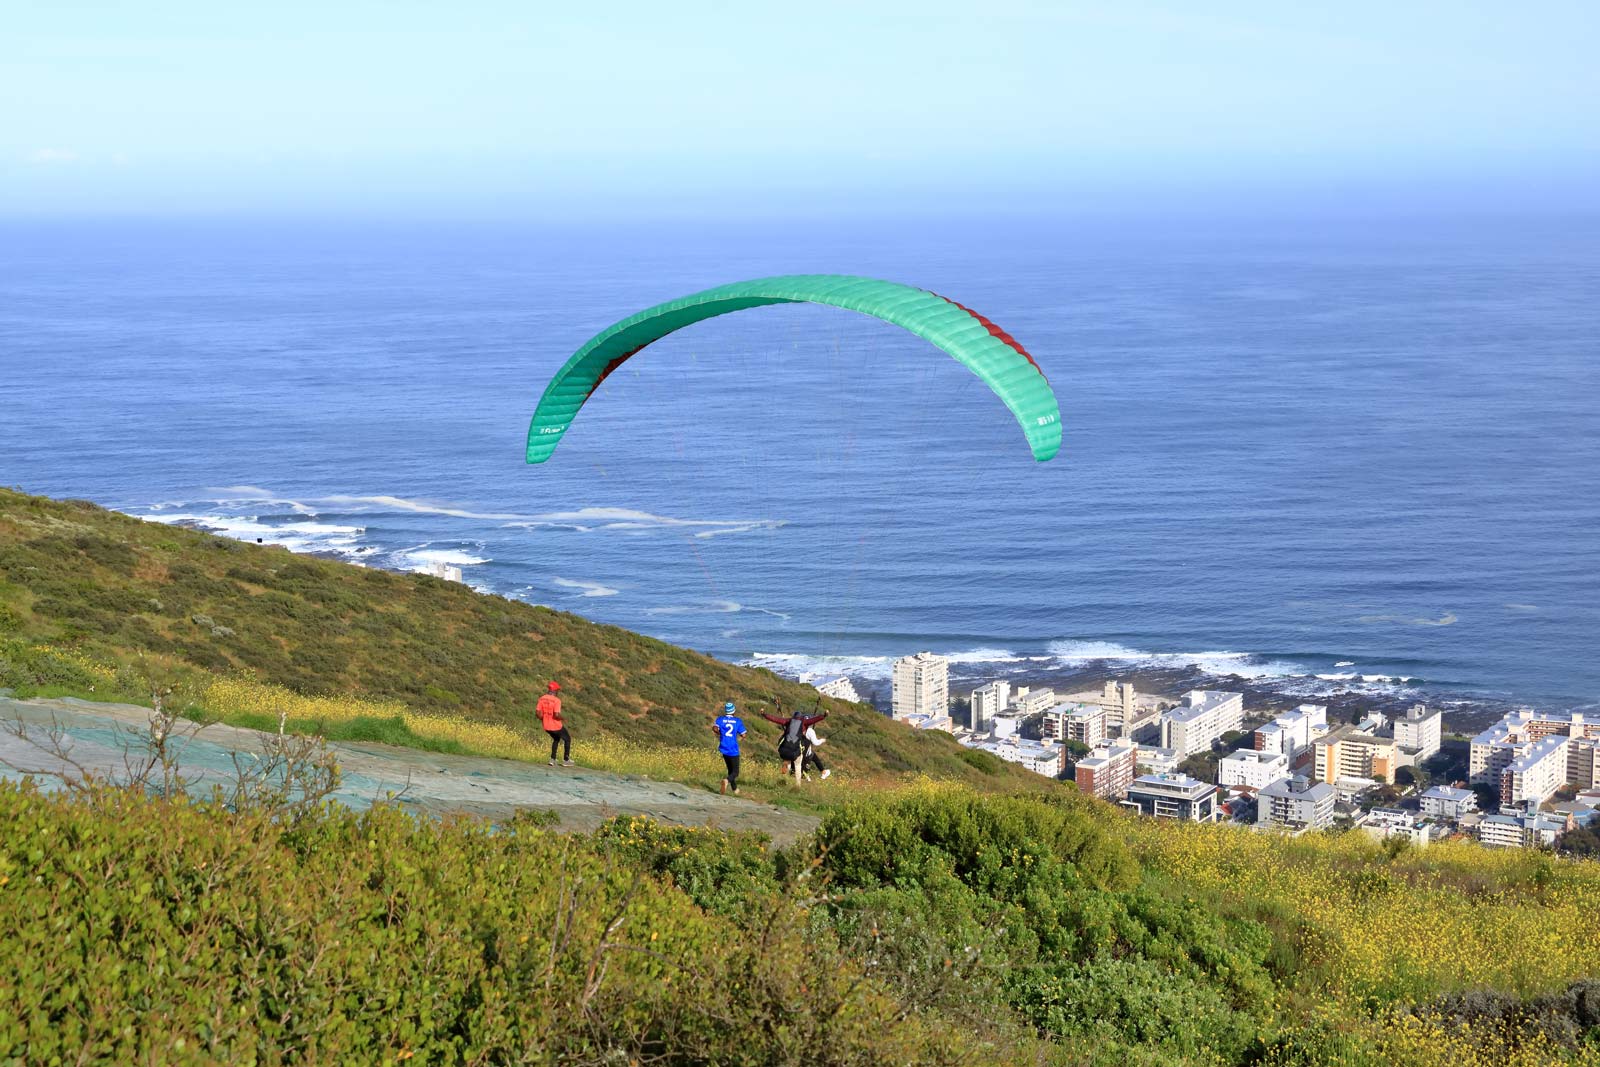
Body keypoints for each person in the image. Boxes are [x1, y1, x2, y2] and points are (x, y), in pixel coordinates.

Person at [760, 703, 828, 777]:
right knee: (798, 762)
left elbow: (775, 719)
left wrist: (764, 714)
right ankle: (797, 781)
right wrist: (824, 715)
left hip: (785, 747)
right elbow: (814, 720)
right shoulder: (804, 722)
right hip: (796, 748)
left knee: (788, 759)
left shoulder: (789, 721)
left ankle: (786, 771)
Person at [713, 700, 747, 795]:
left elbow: (715, 728)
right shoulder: (737, 721)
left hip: (723, 747)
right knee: (735, 772)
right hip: (733, 749)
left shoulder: (720, 719)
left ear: (726, 710)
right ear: (733, 711)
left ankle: (735, 789)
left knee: (730, 770)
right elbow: (744, 734)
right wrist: (740, 738)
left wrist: (720, 733)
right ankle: (726, 781)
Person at [538, 681, 572, 766]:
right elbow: (556, 715)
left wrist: (544, 719)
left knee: (556, 739)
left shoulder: (542, 698)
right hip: (556, 726)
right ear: (556, 691)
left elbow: (538, 713)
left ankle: (552, 760)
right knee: (567, 739)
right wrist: (563, 718)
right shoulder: (557, 700)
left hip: (546, 726)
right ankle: (566, 760)